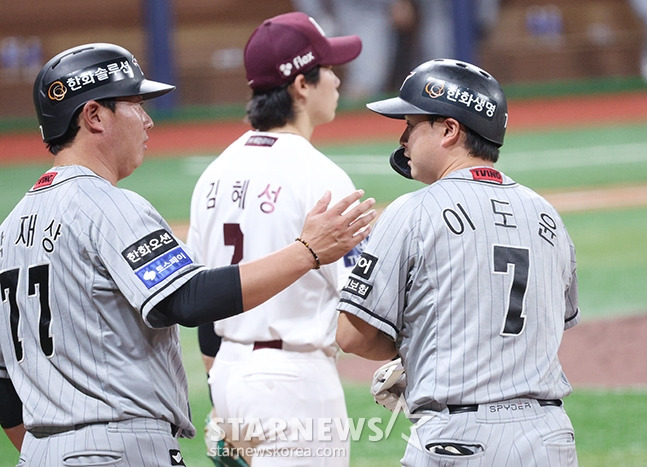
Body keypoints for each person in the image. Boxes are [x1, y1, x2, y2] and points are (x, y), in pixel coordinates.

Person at [0, 42, 376, 466]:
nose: (147, 119)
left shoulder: (10, 229)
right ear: (94, 116)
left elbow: (3, 387)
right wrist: (306, 250)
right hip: (119, 448)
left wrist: (52, 452)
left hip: (39, 454)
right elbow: (188, 298)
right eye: (136, 103)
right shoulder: (110, 206)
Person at [335, 58, 580, 466]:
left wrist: (420, 355)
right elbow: (551, 320)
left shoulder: (413, 210)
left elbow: (353, 335)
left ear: (449, 130)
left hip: (457, 440)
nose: (402, 139)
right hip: (549, 437)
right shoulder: (547, 215)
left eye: (411, 126)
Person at [186, 11, 362, 466]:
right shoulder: (321, 177)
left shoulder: (214, 173)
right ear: (301, 85)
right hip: (295, 384)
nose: (338, 81)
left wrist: (221, 395)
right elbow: (363, 309)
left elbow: (204, 300)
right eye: (329, 70)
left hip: (229, 374)